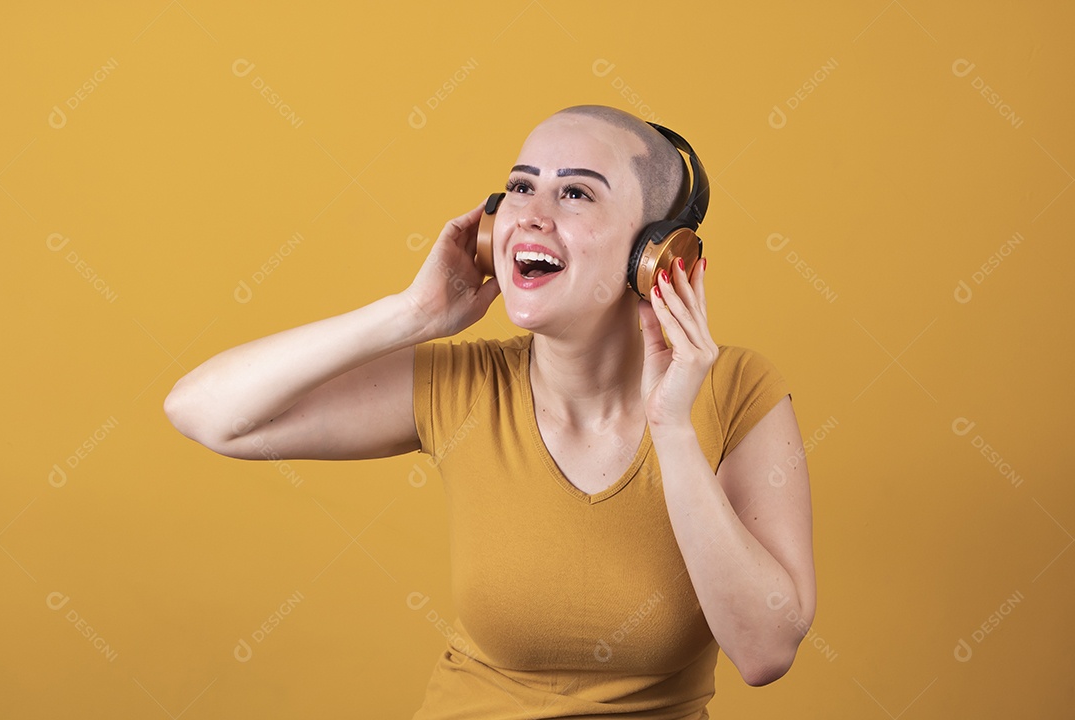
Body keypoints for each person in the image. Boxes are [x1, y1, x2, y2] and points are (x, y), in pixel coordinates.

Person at [164, 104, 816, 718]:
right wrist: (410, 314)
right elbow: (206, 412)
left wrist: (672, 428)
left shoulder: (736, 389)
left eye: (576, 193)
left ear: (657, 255)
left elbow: (765, 652)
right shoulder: (468, 388)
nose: (531, 215)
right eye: (521, 189)